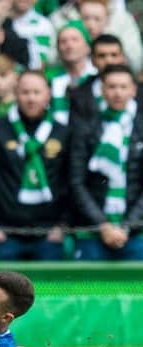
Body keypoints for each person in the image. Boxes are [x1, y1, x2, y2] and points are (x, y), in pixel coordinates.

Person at [0, 71, 71, 260]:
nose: (31, 98)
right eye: (25, 92)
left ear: (47, 94)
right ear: (16, 93)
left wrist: (62, 225)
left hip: (50, 236)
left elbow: (73, 179)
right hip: (4, 235)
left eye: (36, 92)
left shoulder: (63, 133)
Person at [70, 64, 143, 260]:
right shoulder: (86, 128)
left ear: (133, 90)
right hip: (92, 230)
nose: (117, 93)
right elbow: (77, 182)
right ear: (102, 90)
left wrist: (127, 226)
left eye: (123, 87)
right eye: (112, 87)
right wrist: (103, 225)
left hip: (136, 232)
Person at [68, 34, 143, 124]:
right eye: (102, 56)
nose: (108, 60)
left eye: (114, 55)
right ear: (92, 60)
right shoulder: (78, 94)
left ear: (123, 58)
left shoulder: (141, 92)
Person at [45, 20, 96, 125]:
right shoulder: (49, 78)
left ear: (87, 46)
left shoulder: (97, 75)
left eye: (75, 40)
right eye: (63, 41)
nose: (69, 46)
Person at [78, 0, 141, 74]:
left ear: (107, 20)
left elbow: (136, 62)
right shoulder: (74, 42)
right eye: (86, 19)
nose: (91, 25)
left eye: (97, 19)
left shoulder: (114, 43)